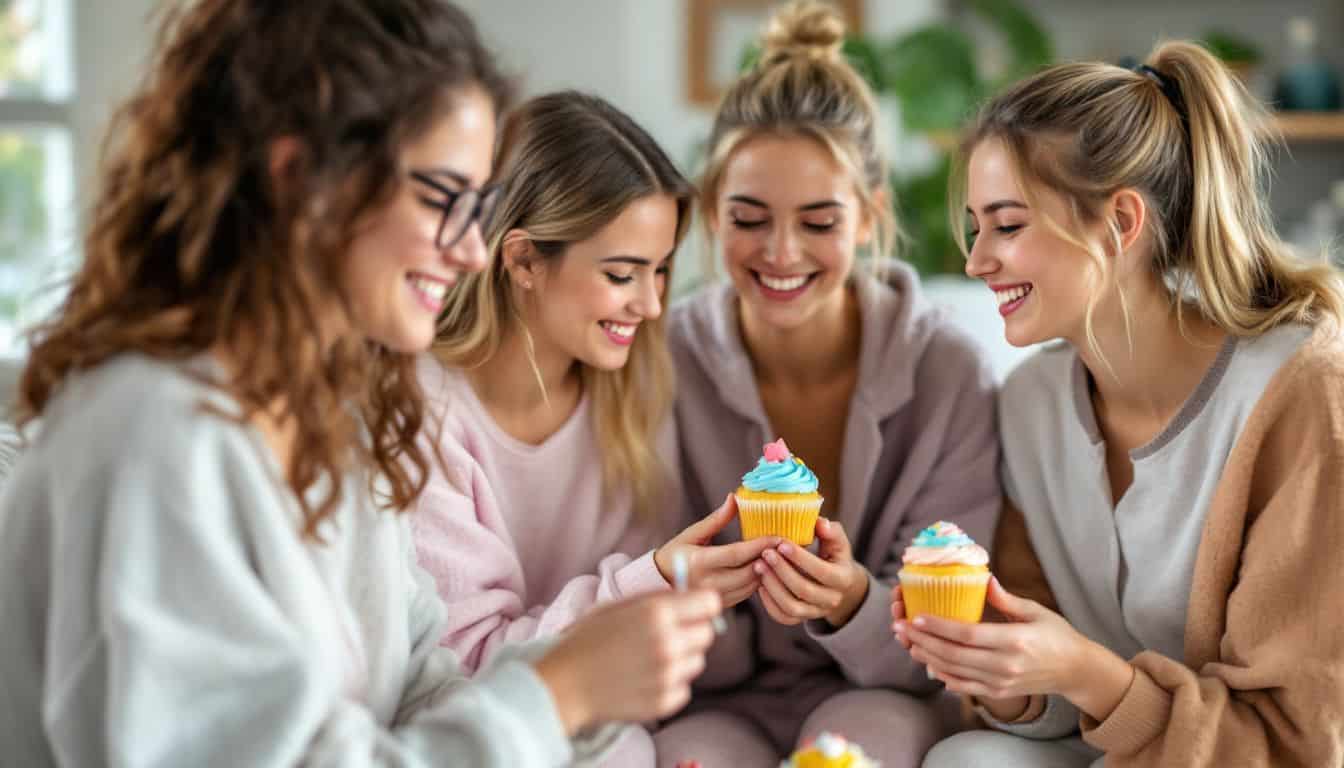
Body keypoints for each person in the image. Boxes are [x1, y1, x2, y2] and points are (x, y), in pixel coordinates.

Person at [0, 2, 722, 765]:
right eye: (444, 200)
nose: (475, 252)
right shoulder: (153, 437)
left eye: (480, 210)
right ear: (303, 183)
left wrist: (583, 705)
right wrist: (559, 694)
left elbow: (415, 688)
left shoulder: (337, 421)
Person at [900, 40, 1344, 768]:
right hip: (1116, 750)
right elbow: (1046, 716)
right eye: (976, 228)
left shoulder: (1300, 389)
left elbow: (1298, 743)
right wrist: (1000, 667)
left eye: (1008, 226)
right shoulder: (1029, 404)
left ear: (1121, 224)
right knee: (968, 758)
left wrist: (1082, 669)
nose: (977, 261)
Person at [657, 2, 1000, 766]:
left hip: (881, 696)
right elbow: (648, 605)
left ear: (871, 216)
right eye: (750, 218)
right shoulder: (662, 365)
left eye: (819, 222)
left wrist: (851, 602)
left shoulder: (947, 374)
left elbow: (945, 643)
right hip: (713, 700)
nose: (781, 254)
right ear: (712, 213)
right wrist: (704, 595)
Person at [414, 90, 778, 765]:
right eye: (621, 274)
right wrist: (654, 582)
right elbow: (465, 671)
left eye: (663, 270)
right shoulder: (426, 414)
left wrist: (705, 595)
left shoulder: (633, 390)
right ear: (522, 260)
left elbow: (648, 674)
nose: (651, 303)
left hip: (615, 726)